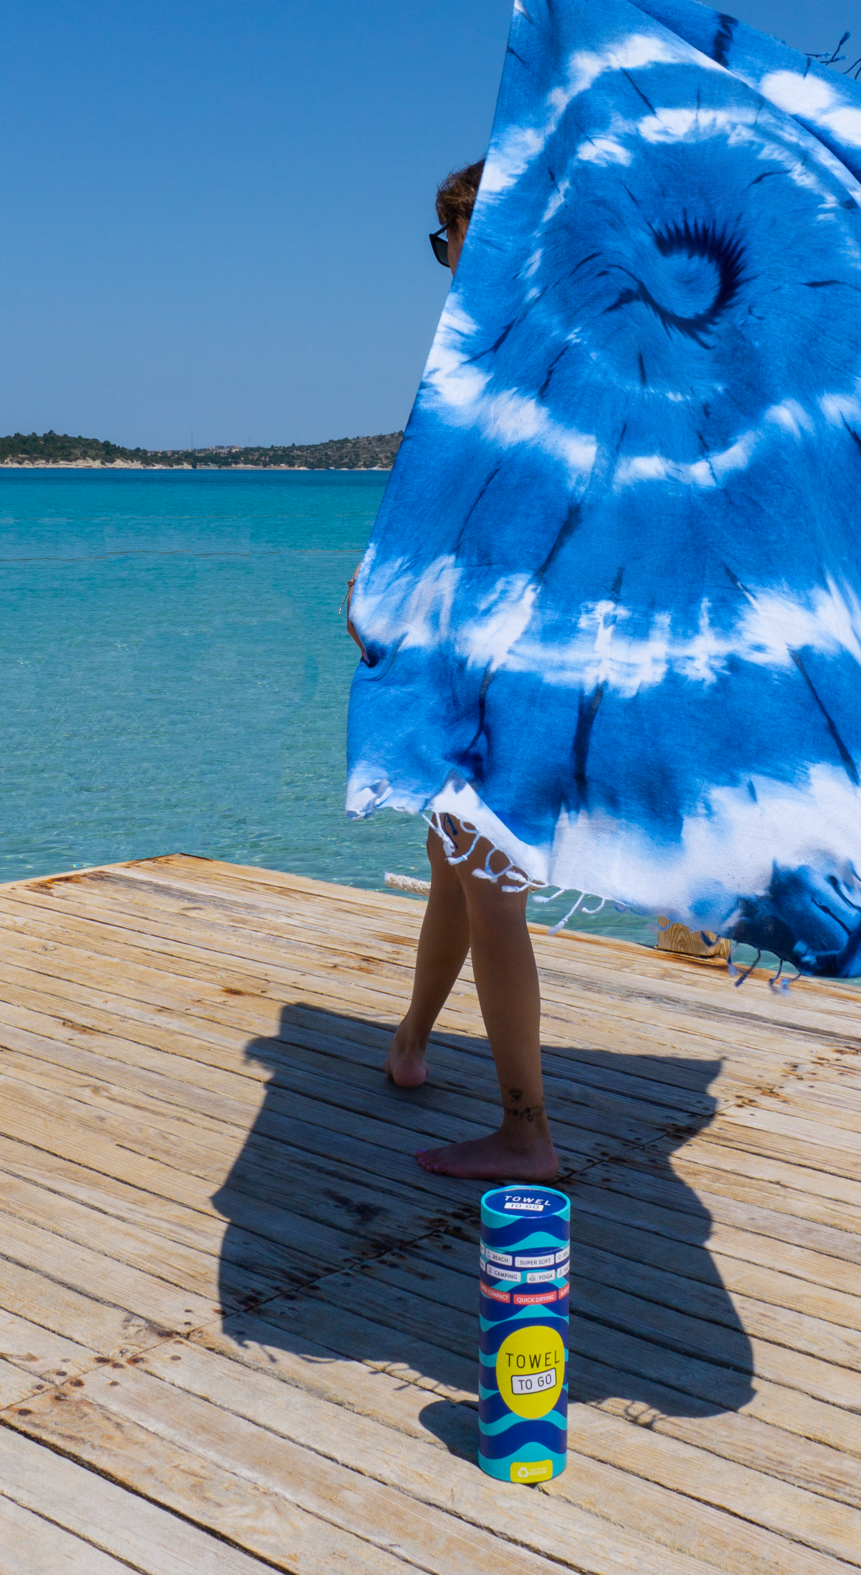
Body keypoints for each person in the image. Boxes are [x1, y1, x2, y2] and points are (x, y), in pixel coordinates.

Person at [349, 161, 557, 1184]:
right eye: (446, 237)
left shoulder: (533, 352)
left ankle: (526, 1125)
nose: (453, 256)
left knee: (491, 887)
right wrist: (386, 588)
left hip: (520, 655)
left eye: (462, 232)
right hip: (470, 645)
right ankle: (412, 1042)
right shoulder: (497, 350)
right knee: (452, 855)